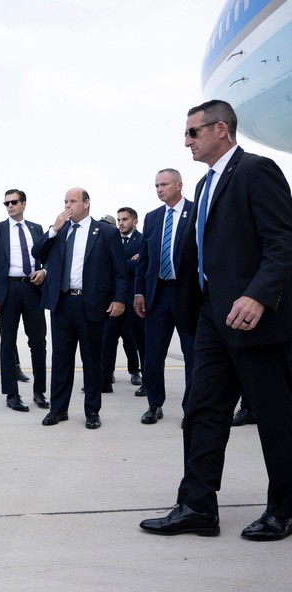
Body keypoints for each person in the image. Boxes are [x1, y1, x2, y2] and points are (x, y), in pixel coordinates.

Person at [140, 99, 292, 541]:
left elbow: (283, 242)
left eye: (193, 132)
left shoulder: (256, 172)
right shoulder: (206, 185)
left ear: (221, 129)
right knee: (201, 411)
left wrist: (259, 296)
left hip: (254, 319)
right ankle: (197, 506)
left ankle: (283, 508)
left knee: (275, 416)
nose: (186, 141)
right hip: (211, 317)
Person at [32, 188, 126, 429]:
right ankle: (58, 409)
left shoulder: (106, 232)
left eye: (73, 201)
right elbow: (37, 252)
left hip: (92, 303)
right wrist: (53, 228)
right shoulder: (60, 232)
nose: (68, 205)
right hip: (62, 303)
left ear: (86, 203)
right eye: (65, 201)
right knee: (61, 359)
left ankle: (92, 411)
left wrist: (119, 299)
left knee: (91, 360)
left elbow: (119, 271)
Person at [133, 169, 195, 424]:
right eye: (156, 185)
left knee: (192, 353)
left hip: (187, 294)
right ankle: (154, 404)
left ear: (179, 185)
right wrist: (139, 291)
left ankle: (191, 408)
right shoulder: (153, 217)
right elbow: (144, 259)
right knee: (153, 354)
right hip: (157, 293)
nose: (159, 189)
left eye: (164, 184)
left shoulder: (196, 211)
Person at [0, 189, 49, 412]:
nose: (9, 206)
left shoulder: (37, 229)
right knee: (7, 343)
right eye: (6, 203)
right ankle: (12, 394)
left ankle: (39, 392)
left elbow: (49, 258)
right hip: (7, 290)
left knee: (38, 342)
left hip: (32, 288)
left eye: (14, 202)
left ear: (24, 203)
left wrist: (45, 272)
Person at [100, 207, 146, 394]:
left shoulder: (142, 240)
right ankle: (104, 381)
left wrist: (120, 263)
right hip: (115, 300)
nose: (121, 223)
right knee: (108, 340)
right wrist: (129, 262)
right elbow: (107, 266)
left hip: (135, 300)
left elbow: (141, 265)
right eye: (119, 220)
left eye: (125, 220)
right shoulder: (113, 239)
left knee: (141, 342)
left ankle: (146, 381)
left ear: (135, 222)